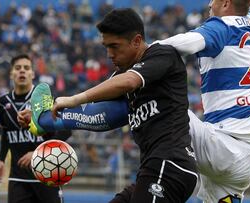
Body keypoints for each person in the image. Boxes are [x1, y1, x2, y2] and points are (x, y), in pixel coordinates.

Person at [19, 1, 250, 202]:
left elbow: (182, 44)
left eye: (212, 1)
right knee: (137, 105)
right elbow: (109, 117)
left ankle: (49, 120)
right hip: (242, 162)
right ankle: (49, 121)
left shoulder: (217, 28)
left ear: (225, 3)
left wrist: (148, 55)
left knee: (160, 102)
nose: (208, 6)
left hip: (216, 147)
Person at [31, 8, 198, 203]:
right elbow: (98, 117)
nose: (109, 54)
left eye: (115, 46)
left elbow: (129, 82)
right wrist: (47, 122)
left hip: (170, 164)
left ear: (136, 41)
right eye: (106, 46)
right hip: (152, 169)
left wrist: (74, 98)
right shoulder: (121, 76)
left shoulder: (161, 55)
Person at [0, 54, 70, 203]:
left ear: (33, 74)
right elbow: (6, 132)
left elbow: (66, 130)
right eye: (18, 68)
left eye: (26, 68)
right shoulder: (3, 102)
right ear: (11, 73)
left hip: (46, 174)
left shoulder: (45, 99)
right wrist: (1, 160)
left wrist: (37, 153)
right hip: (17, 178)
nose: (22, 71)